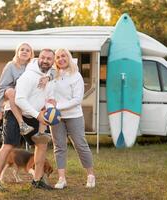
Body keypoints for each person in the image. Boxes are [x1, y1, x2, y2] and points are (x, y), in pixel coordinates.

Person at [0, 49, 55, 191]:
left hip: (33, 114)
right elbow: (19, 99)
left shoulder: (50, 77)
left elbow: (50, 97)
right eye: (43, 57)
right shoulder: (29, 75)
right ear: (38, 58)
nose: (45, 60)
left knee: (41, 144)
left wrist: (50, 108)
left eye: (49, 59)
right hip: (16, 112)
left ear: (52, 61)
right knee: (8, 145)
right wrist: (37, 115)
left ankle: (37, 180)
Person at [50, 48, 95, 189]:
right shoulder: (52, 75)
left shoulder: (76, 75)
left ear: (68, 58)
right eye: (57, 57)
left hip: (74, 116)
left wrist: (58, 106)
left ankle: (90, 175)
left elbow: (77, 100)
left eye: (63, 56)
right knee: (59, 147)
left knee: (80, 145)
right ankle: (62, 179)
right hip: (56, 117)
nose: (60, 59)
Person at [0, 42, 35, 136]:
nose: (24, 52)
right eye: (22, 49)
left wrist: (48, 78)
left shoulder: (33, 66)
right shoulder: (11, 65)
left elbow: (51, 69)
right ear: (17, 52)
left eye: (27, 50)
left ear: (31, 54)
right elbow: (1, 86)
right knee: (11, 91)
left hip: (27, 97)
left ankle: (42, 131)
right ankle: (22, 124)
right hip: (11, 93)